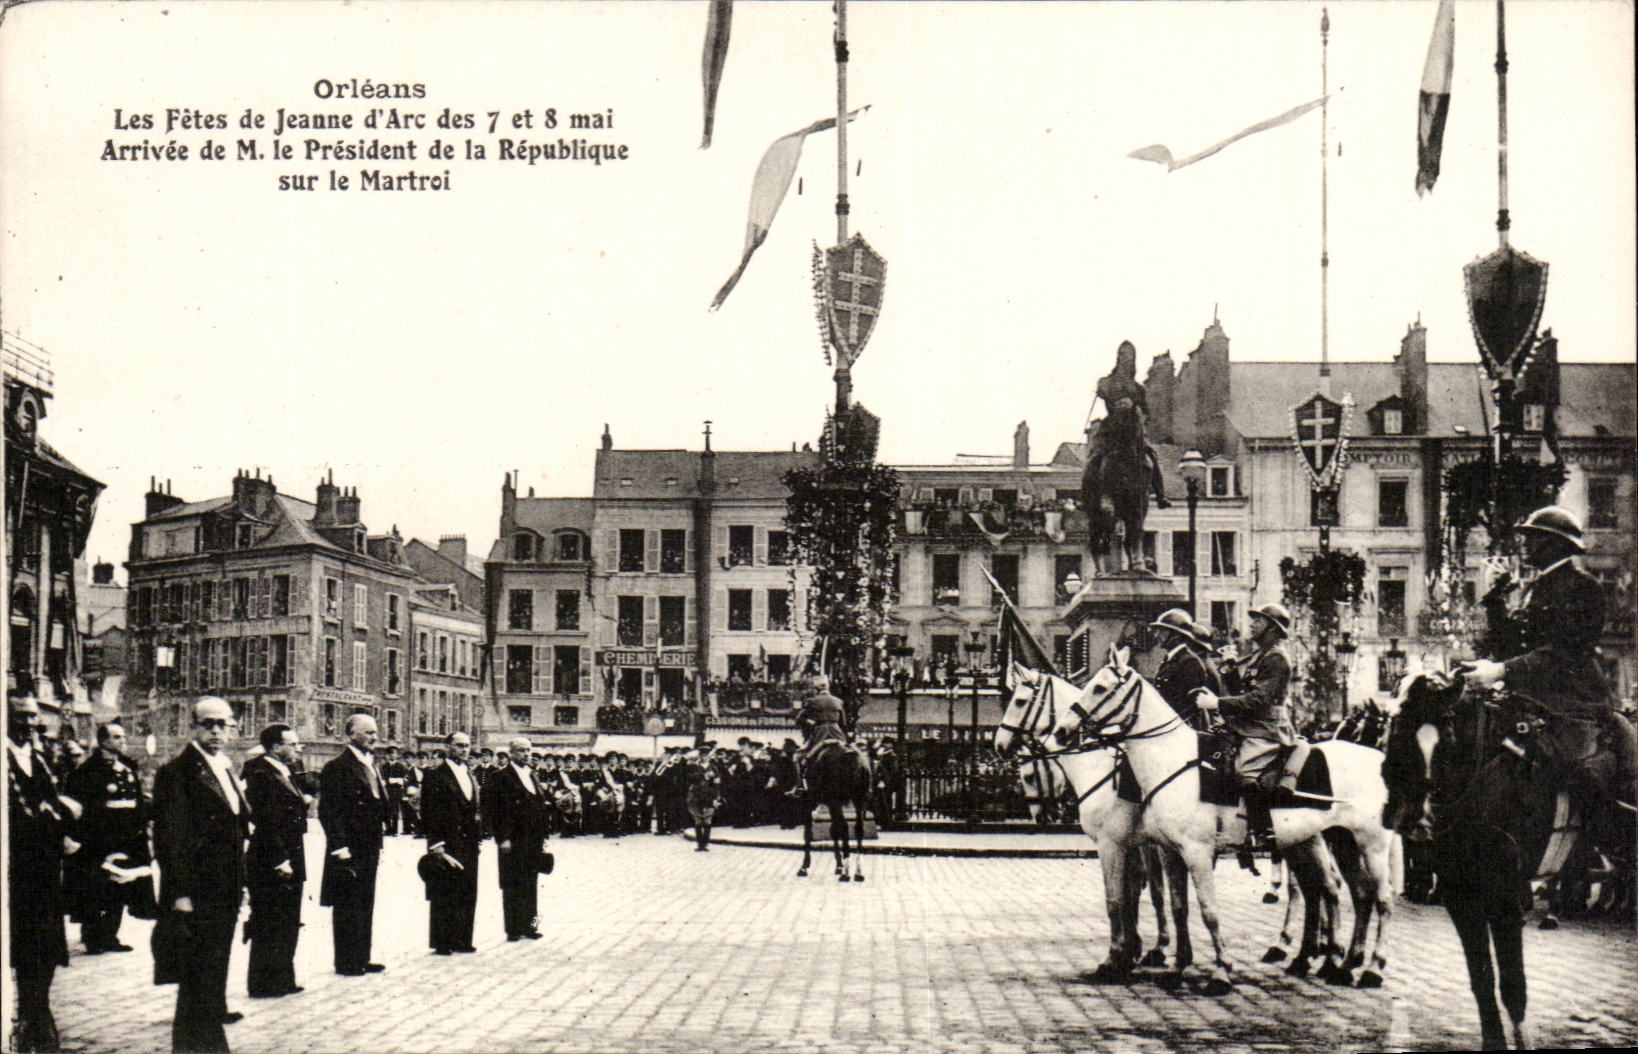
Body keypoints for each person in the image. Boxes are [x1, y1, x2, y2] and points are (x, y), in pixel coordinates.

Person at [1464, 504, 1638, 823]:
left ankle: (1596, 846)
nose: (1526, 544)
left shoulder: (1585, 588)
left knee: (1579, 772)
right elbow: (1510, 646)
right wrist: (1495, 598)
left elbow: (1565, 652)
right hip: (1532, 700)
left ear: (1557, 544)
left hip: (1574, 701)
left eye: (1534, 538)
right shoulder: (1535, 589)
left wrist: (1503, 670)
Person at [152, 698, 251, 1053]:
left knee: (213, 973)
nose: (215, 732)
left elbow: (237, 830)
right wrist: (180, 894)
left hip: (224, 888)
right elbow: (170, 839)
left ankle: (208, 1044)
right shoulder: (178, 772)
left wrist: (242, 884)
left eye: (222, 725)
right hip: (198, 889)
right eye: (208, 724)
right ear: (193, 726)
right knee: (197, 975)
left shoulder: (225, 768)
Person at [1194, 603, 1296, 853]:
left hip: (1267, 729)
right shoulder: (1260, 655)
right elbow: (1244, 691)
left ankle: (1262, 831)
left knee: (1244, 770)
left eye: (1258, 621)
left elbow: (1258, 700)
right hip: (1249, 725)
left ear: (1272, 628)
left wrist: (1216, 702)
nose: (1251, 624)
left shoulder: (1277, 658)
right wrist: (1229, 669)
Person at [8, 695, 76, 1053]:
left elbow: (54, 804)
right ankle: (27, 1014)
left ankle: (38, 1010)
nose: (29, 724)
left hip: (45, 870)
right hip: (16, 869)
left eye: (33, 717)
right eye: (21, 716)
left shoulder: (38, 758)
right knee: (22, 945)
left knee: (46, 946)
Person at [63, 720, 150, 955]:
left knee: (119, 886)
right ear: (103, 741)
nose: (123, 740)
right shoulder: (89, 770)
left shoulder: (128, 766)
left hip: (126, 837)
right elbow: (82, 806)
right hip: (100, 838)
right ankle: (93, 938)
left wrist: (140, 827)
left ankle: (110, 935)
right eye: (117, 737)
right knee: (97, 888)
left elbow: (138, 800)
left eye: (122, 736)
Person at [241, 723, 308, 999]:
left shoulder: (286, 770)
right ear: (275, 747)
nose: (297, 748)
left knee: (288, 920)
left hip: (292, 853)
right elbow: (265, 820)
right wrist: (280, 859)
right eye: (291, 744)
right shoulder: (260, 772)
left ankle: (283, 977)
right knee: (269, 920)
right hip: (272, 857)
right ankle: (263, 983)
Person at [318, 713, 387, 976]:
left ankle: (362, 956)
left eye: (374, 731)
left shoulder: (371, 764)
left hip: (369, 845)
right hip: (349, 847)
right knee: (347, 903)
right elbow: (329, 811)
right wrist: (339, 847)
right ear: (351, 734)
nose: (374, 736)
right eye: (368, 732)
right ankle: (347, 961)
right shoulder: (337, 767)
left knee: (365, 901)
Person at [420, 730, 482, 955]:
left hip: (469, 842)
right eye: (459, 745)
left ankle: (463, 939)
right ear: (448, 747)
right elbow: (428, 811)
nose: (464, 749)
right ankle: (443, 941)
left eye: (466, 745)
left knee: (467, 890)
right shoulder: (436, 774)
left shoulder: (470, 773)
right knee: (445, 890)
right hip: (448, 841)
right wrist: (436, 844)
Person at [489, 736, 550, 941]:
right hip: (513, 839)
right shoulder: (502, 776)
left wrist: (544, 835)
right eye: (521, 750)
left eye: (528, 750)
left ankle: (530, 926)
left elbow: (540, 806)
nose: (526, 754)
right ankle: (513, 929)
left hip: (533, 838)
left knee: (531, 882)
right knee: (512, 883)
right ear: (512, 753)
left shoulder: (533, 775)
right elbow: (496, 810)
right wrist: (502, 838)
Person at [1148, 609, 1224, 731]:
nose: (1157, 636)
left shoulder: (1189, 662)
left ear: (1176, 635)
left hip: (1181, 730)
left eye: (1163, 632)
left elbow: (1189, 706)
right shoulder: (1169, 659)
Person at [792, 676, 851, 794]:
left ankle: (799, 787)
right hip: (837, 734)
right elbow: (843, 723)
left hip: (820, 734)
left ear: (816, 689)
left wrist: (810, 722)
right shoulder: (838, 701)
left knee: (797, 758)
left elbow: (799, 720)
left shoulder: (812, 701)